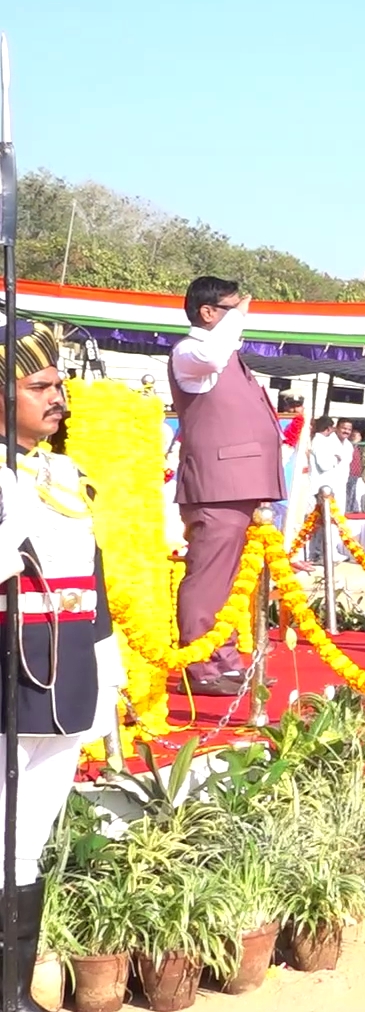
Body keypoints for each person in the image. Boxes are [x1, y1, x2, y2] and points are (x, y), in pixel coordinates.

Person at [0, 325, 125, 1009]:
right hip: (9, 667)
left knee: (30, 838)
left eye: (59, 384)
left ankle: (15, 993)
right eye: (39, 386)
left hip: (68, 668)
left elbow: (92, 578)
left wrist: (110, 670)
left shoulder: (58, 472)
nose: (58, 396)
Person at [170, 277, 288, 696]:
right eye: (233, 308)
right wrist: (236, 319)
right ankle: (198, 664)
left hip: (239, 484)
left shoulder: (227, 355)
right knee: (208, 578)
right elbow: (212, 354)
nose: (243, 316)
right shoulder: (192, 352)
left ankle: (226, 661)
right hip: (216, 486)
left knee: (233, 581)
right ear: (208, 313)